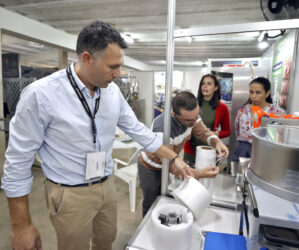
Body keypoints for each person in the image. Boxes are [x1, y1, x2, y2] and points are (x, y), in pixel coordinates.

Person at [1, 21, 193, 250]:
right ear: (87, 58)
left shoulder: (111, 92)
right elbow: (17, 163)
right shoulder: (41, 96)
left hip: (106, 184)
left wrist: (173, 158)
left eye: (120, 65)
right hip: (69, 194)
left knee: (105, 241)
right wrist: (21, 226)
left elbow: (139, 130)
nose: (118, 73)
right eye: (112, 66)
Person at [138, 91, 229, 217]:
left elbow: (203, 132)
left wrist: (217, 142)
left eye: (196, 117)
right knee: (151, 201)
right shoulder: (163, 128)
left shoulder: (192, 117)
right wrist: (199, 173)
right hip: (150, 166)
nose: (194, 123)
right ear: (175, 115)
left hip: (170, 161)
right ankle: (148, 226)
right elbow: (169, 163)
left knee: (163, 197)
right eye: (189, 120)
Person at [231, 77, 285, 166]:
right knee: (237, 177)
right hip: (241, 152)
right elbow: (237, 131)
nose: (253, 96)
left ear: (267, 93)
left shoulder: (277, 113)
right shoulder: (243, 111)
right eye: (251, 92)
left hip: (265, 152)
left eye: (258, 92)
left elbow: (279, 136)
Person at [183, 74, 231, 165]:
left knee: (206, 178)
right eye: (203, 83)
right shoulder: (192, 104)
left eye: (209, 84)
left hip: (210, 151)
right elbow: (184, 123)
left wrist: (217, 134)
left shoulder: (222, 107)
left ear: (216, 87)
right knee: (189, 177)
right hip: (191, 150)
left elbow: (227, 131)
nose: (205, 86)